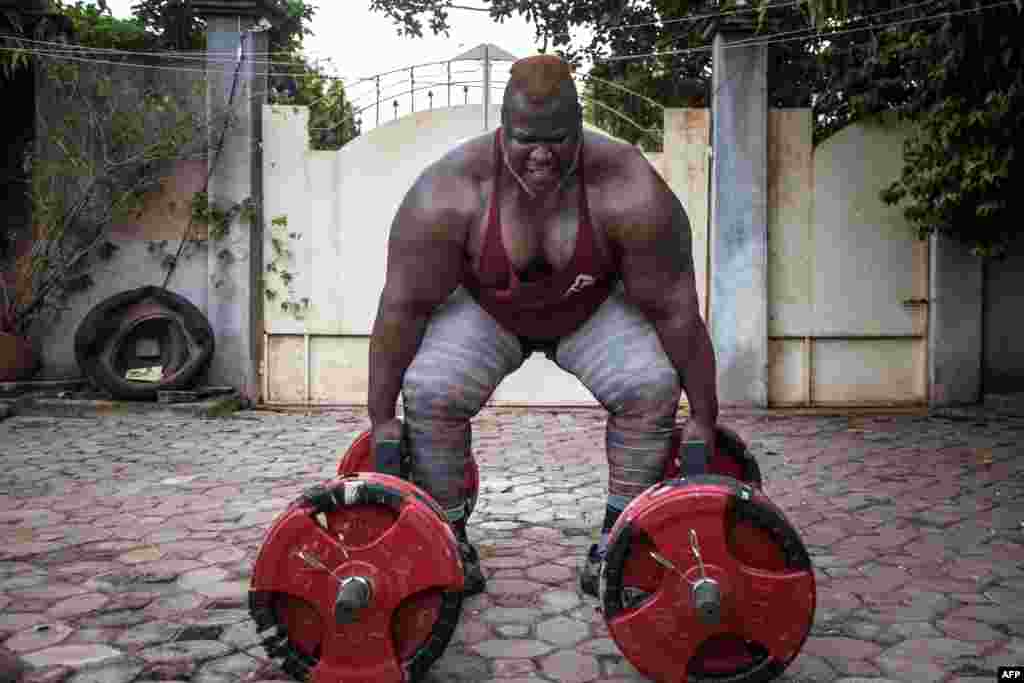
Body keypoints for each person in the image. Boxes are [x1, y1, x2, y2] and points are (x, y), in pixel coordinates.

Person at [367, 54, 718, 597]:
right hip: (490, 311)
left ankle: (618, 544)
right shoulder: (449, 190)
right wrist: (381, 419)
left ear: (578, 127)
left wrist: (704, 418)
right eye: (526, 138)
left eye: (556, 138)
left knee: (650, 386)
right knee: (432, 390)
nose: (540, 154)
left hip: (588, 309)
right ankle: (447, 539)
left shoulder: (627, 186)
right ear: (504, 128)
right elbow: (402, 309)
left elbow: (675, 310)